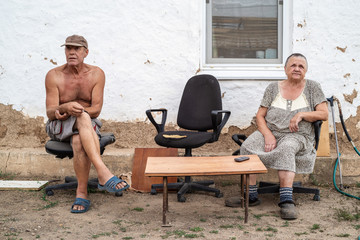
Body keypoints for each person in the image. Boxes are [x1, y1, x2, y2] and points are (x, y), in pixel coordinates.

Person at [225, 53, 328, 220]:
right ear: (285, 69)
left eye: (301, 66)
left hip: (298, 135)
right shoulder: (273, 87)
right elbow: (260, 115)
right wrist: (268, 135)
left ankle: (286, 200)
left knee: (286, 149)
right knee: (247, 147)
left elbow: (323, 114)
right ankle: (250, 196)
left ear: (306, 70)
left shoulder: (313, 87)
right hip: (271, 131)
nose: (297, 69)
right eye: (293, 65)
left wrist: (302, 114)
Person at [45, 35, 129, 213]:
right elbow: (50, 112)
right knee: (82, 116)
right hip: (59, 125)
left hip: (87, 123)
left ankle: (81, 193)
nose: (72, 52)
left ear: (86, 52)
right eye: (68, 48)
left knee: (79, 136)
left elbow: (96, 110)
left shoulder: (96, 74)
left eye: (76, 49)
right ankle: (103, 172)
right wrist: (65, 107)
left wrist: (79, 112)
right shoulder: (54, 75)